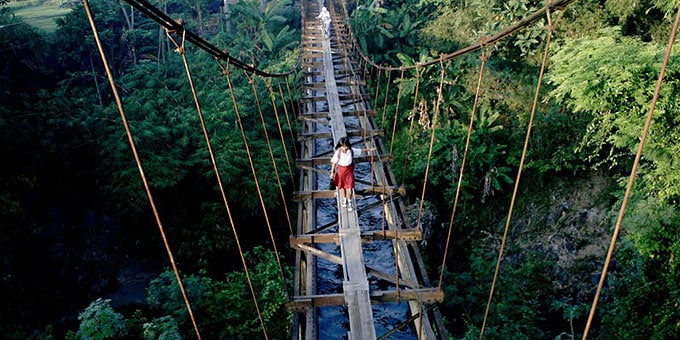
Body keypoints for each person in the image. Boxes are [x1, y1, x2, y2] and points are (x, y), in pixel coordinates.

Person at [329, 137, 362, 211]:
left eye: (345, 146)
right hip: (340, 172)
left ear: (348, 145)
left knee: (350, 188)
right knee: (342, 187)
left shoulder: (351, 151)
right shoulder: (338, 152)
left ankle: (350, 202)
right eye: (342, 146)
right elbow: (334, 162)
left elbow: (360, 151)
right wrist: (332, 171)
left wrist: (370, 150)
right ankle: (344, 199)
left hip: (349, 172)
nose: (344, 148)